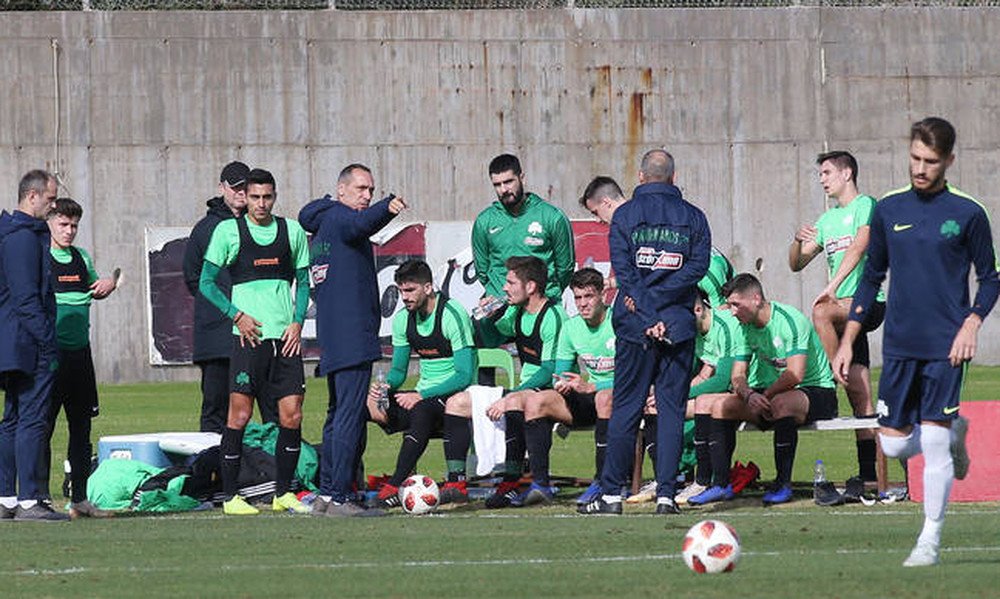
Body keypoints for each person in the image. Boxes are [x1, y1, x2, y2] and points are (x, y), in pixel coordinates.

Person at [833, 117, 999, 567]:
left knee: (935, 443)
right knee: (893, 446)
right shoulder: (888, 209)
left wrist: (972, 323)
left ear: (949, 161)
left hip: (947, 346)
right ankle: (955, 430)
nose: (920, 169)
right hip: (900, 345)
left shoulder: (968, 213)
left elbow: (990, 278)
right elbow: (871, 277)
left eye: (930, 161)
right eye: (915, 158)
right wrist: (848, 339)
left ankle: (929, 540)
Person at [578, 149, 711, 516]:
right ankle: (666, 495)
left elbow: (624, 272)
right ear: (673, 176)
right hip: (677, 323)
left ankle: (611, 496)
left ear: (640, 177)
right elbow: (697, 267)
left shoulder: (625, 216)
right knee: (670, 410)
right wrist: (665, 305)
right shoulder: (694, 216)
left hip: (637, 322)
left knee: (626, 407)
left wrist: (649, 309)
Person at [199, 168, 311, 516]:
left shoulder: (292, 231)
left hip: (285, 339)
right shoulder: (228, 232)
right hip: (248, 340)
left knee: (291, 415)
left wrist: (298, 321)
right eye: (255, 197)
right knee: (240, 415)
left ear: (275, 197)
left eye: (267, 197)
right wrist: (236, 316)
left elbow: (304, 282)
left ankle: (283, 493)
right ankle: (231, 496)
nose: (261, 204)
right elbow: (205, 283)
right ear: (244, 198)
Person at [298, 164, 407, 517]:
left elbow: (320, 216)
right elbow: (363, 224)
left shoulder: (325, 221)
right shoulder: (342, 219)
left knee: (337, 417)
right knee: (348, 417)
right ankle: (340, 496)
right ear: (341, 190)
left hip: (335, 337)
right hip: (351, 337)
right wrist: (387, 206)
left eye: (371, 190)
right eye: (361, 188)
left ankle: (327, 494)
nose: (367, 196)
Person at [691, 273, 836, 506]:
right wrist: (748, 395)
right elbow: (737, 375)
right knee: (713, 404)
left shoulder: (789, 320)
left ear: (756, 299)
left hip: (816, 391)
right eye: (729, 305)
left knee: (781, 404)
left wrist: (764, 395)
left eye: (736, 304)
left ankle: (782, 484)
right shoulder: (744, 327)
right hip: (770, 394)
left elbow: (794, 375)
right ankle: (719, 484)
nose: (732, 312)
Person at [788, 151, 884, 486]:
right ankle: (871, 475)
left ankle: (831, 375)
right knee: (861, 396)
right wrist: (796, 241)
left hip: (867, 303)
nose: (822, 179)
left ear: (847, 173)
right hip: (843, 320)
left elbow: (860, 246)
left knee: (820, 310)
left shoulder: (865, 205)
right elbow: (796, 263)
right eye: (820, 174)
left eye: (827, 172)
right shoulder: (826, 220)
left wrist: (831, 287)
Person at [366, 260, 476, 508]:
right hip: (424, 396)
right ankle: (346, 482)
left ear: (428, 288)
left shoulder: (452, 314)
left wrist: (421, 394)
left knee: (422, 409)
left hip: (457, 397)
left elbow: (464, 375)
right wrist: (385, 387)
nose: (404, 297)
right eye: (401, 291)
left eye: (410, 290)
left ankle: (399, 485)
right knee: (360, 405)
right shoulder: (402, 319)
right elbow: (398, 371)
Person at [185, 162, 278, 432]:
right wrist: (228, 311)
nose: (239, 192)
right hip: (219, 338)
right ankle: (214, 460)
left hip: (260, 332)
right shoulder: (206, 229)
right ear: (222, 188)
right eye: (234, 187)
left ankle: (276, 458)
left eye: (243, 187)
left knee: (274, 407)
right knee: (217, 411)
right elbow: (194, 279)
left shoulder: (265, 227)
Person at [39, 198, 116, 518]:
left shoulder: (81, 257)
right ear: (49, 223)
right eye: (63, 224)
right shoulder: (40, 257)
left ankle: (80, 499)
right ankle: (38, 499)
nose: (69, 231)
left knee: (81, 429)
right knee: (42, 428)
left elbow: (94, 288)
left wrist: (108, 285)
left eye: (74, 226)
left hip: (80, 356)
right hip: (49, 356)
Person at [0, 170, 66, 521]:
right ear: (32, 197)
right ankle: (28, 499)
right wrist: (47, 342)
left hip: (13, 342)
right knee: (31, 419)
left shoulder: (13, 234)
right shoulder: (23, 239)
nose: (53, 206)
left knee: (12, 419)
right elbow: (27, 299)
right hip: (28, 343)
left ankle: (7, 497)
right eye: (50, 199)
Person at [520, 267, 614, 506]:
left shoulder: (618, 322)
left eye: (589, 296)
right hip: (589, 397)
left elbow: (634, 376)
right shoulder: (571, 328)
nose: (582, 304)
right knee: (536, 401)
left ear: (603, 295)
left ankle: (603, 482)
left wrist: (593, 386)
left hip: (620, 397)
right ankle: (540, 485)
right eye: (578, 297)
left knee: (604, 397)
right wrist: (563, 384)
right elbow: (560, 373)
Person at [478, 256, 566, 508]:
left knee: (518, 404)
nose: (504, 288)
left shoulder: (553, 315)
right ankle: (459, 481)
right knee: (464, 402)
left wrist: (513, 394)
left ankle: (522, 481)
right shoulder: (516, 311)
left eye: (510, 282)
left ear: (531, 286)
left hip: (554, 389)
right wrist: (488, 317)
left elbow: (549, 370)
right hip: (527, 388)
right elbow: (491, 339)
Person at [471, 153, 575, 307]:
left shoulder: (552, 217)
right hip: (500, 308)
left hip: (541, 306)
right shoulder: (484, 221)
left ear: (522, 178)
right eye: (497, 185)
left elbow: (565, 268)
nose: (503, 189)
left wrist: (545, 294)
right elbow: (482, 270)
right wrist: (498, 293)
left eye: (508, 182)